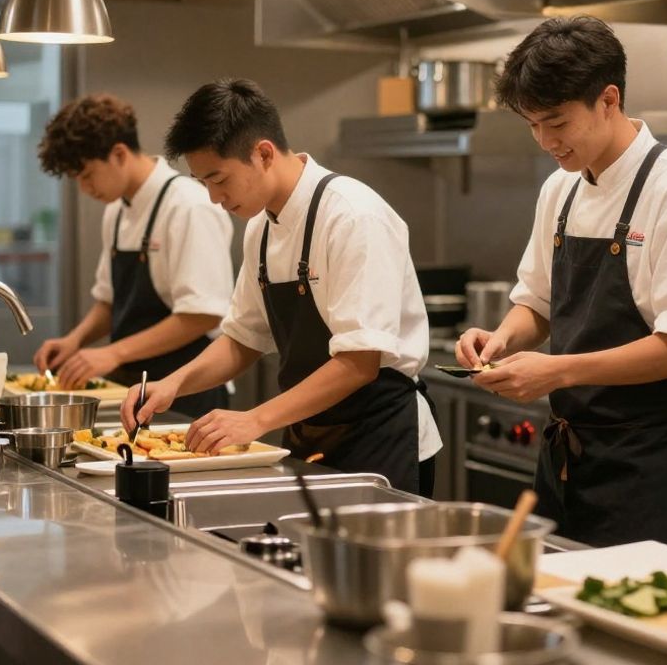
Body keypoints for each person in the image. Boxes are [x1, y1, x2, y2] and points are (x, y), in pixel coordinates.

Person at [457, 16, 667, 551]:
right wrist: (502, 340)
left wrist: (557, 371)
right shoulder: (560, 190)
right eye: (532, 124)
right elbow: (536, 302)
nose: (545, 141)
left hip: (652, 467)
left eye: (556, 122)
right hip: (568, 458)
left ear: (608, 100)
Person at [121, 78, 441, 495]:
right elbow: (242, 339)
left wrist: (253, 420)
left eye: (220, 180)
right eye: (204, 184)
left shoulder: (352, 216)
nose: (215, 198)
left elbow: (359, 363)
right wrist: (173, 385)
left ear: (264, 153)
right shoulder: (261, 228)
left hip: (381, 439)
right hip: (308, 436)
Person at [33, 94, 233, 416]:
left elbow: (202, 314)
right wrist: (75, 340)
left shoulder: (188, 206)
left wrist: (112, 353)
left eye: (86, 175)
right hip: (132, 387)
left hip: (186, 391)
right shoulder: (116, 211)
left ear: (119, 154)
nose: (85, 189)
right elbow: (110, 302)